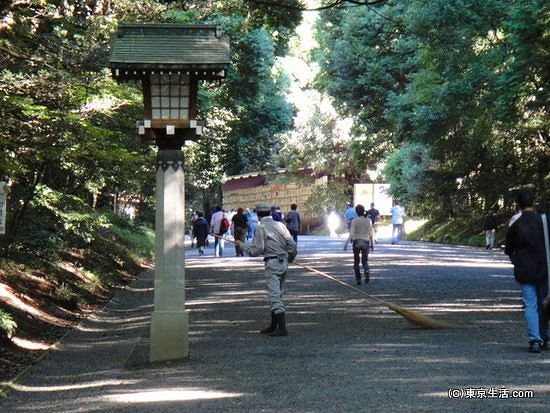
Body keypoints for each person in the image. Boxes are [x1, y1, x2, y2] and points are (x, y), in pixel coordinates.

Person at [235, 202, 297, 337]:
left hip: (272, 262)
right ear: (270, 212)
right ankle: (273, 325)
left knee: (274, 295)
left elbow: (256, 250)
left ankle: (282, 328)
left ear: (257, 214)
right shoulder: (280, 225)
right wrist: (291, 258)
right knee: (278, 293)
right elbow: (291, 244)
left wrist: (242, 246)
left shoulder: (261, 227)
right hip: (283, 262)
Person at [505, 189, 549, 353]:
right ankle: (546, 336)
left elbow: (509, 249)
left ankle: (534, 340)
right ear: (533, 202)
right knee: (544, 302)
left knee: (530, 304)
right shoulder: (545, 221)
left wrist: (517, 263)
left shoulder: (516, 225)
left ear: (518, 204)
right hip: (545, 269)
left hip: (525, 270)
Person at [344, 204, 374, 285]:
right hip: (365, 242)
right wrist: (372, 244)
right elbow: (371, 234)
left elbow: (351, 233)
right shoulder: (368, 220)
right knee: (365, 261)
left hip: (356, 242)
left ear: (356, 212)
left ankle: (358, 279)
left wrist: (346, 243)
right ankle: (366, 270)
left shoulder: (355, 220)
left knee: (356, 261)